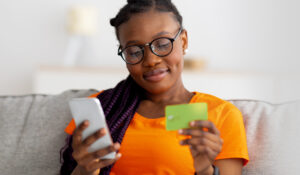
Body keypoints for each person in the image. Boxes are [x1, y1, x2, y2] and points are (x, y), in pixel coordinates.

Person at [60, 0, 249, 174]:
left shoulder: (221, 114)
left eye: (162, 44)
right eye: (134, 51)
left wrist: (205, 169)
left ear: (183, 41)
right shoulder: (101, 108)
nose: (151, 60)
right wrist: (85, 169)